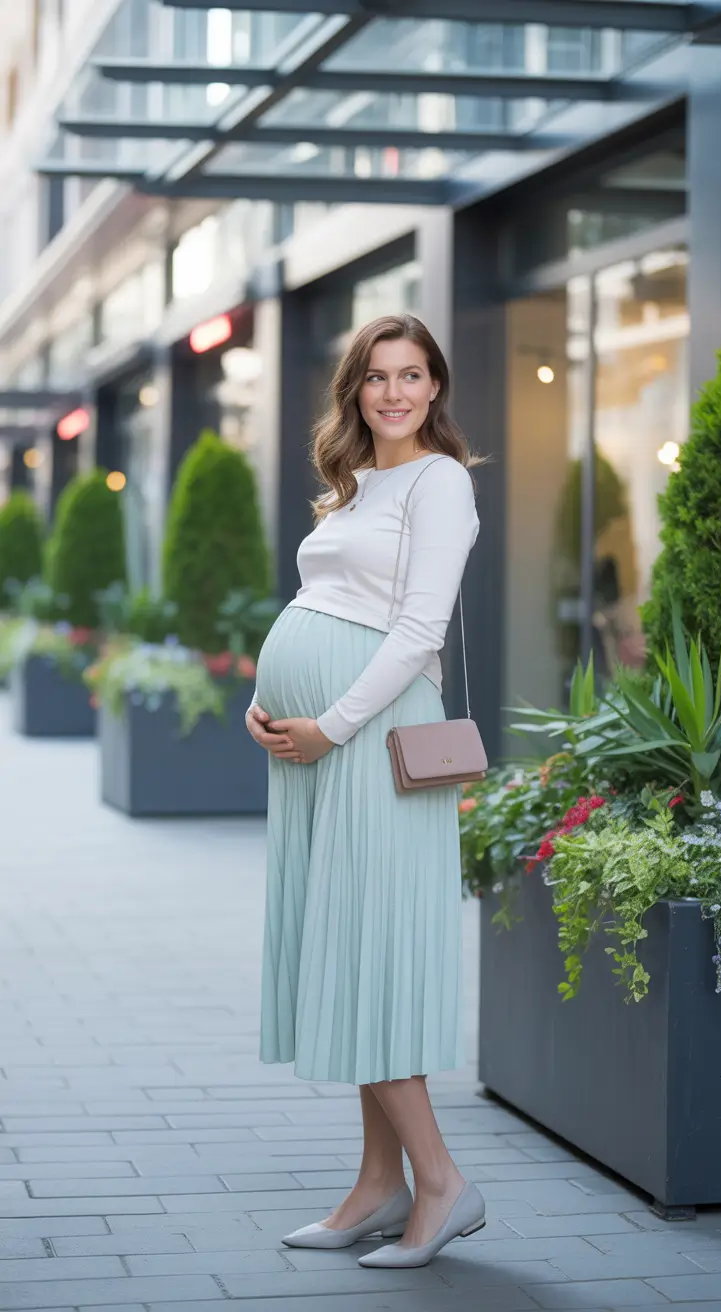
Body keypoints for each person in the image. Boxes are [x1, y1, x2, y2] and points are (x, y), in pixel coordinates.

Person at [245, 313, 486, 1269]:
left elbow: (419, 631)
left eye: (412, 375)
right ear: (356, 389)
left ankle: (441, 1185)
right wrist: (266, 705)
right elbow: (322, 605)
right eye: (378, 376)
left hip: (370, 745)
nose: (394, 392)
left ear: (436, 388)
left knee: (366, 951)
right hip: (314, 746)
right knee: (346, 957)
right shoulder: (357, 487)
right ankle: (378, 1186)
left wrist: (330, 724)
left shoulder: (442, 482)